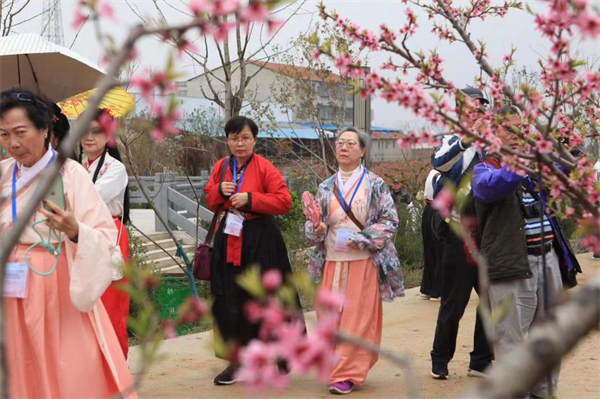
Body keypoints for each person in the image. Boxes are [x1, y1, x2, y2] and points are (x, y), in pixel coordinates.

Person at [0, 89, 134, 398]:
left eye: (21, 132)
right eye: (4, 134)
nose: (13, 143)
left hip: (58, 280)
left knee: (67, 363)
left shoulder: (70, 174)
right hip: (11, 281)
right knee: (18, 362)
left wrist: (76, 231)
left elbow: (102, 236)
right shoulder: (4, 174)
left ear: (45, 129)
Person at [472, 106, 581, 399]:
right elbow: (490, 189)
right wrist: (521, 163)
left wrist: (569, 146)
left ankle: (544, 393)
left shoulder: (535, 168)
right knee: (511, 344)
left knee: (550, 338)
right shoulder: (486, 167)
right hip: (510, 267)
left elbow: (563, 177)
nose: (518, 133)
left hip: (548, 260)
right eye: (509, 128)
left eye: (520, 126)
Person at [306, 127, 404, 395]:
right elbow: (313, 222)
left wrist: (363, 237)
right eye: (340, 143)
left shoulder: (375, 184)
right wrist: (315, 229)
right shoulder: (326, 186)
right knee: (329, 317)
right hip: (331, 261)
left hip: (362, 262)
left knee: (357, 319)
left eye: (351, 143)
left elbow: (390, 221)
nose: (344, 147)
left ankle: (347, 373)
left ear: (362, 151)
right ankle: (334, 366)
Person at [204, 116, 301, 386]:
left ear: (254, 140)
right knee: (229, 297)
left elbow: (284, 202)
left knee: (268, 296)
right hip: (229, 237)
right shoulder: (222, 166)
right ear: (228, 140)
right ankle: (236, 359)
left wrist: (251, 199)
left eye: (245, 138)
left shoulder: (265, 167)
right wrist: (219, 192)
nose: (240, 143)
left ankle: (280, 354)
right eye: (234, 138)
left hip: (261, 238)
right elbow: (210, 198)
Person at [430, 87, 494, 380]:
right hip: (458, 232)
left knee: (492, 300)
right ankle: (440, 358)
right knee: (453, 303)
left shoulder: (497, 146)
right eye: (470, 109)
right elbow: (439, 162)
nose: (476, 114)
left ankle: (481, 360)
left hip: (491, 234)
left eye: (481, 109)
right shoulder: (450, 141)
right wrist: (468, 139)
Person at [78, 108, 131, 359]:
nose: (89, 137)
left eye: (97, 131)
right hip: (80, 237)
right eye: (85, 131)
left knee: (111, 306)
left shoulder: (115, 168)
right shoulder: (76, 167)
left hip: (109, 237)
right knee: (83, 305)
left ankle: (117, 370)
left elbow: (89, 200)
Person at [419, 159, 442, 300]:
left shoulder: (432, 173)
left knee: (430, 251)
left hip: (429, 211)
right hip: (437, 212)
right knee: (439, 250)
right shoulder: (438, 175)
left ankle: (428, 288)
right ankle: (437, 289)